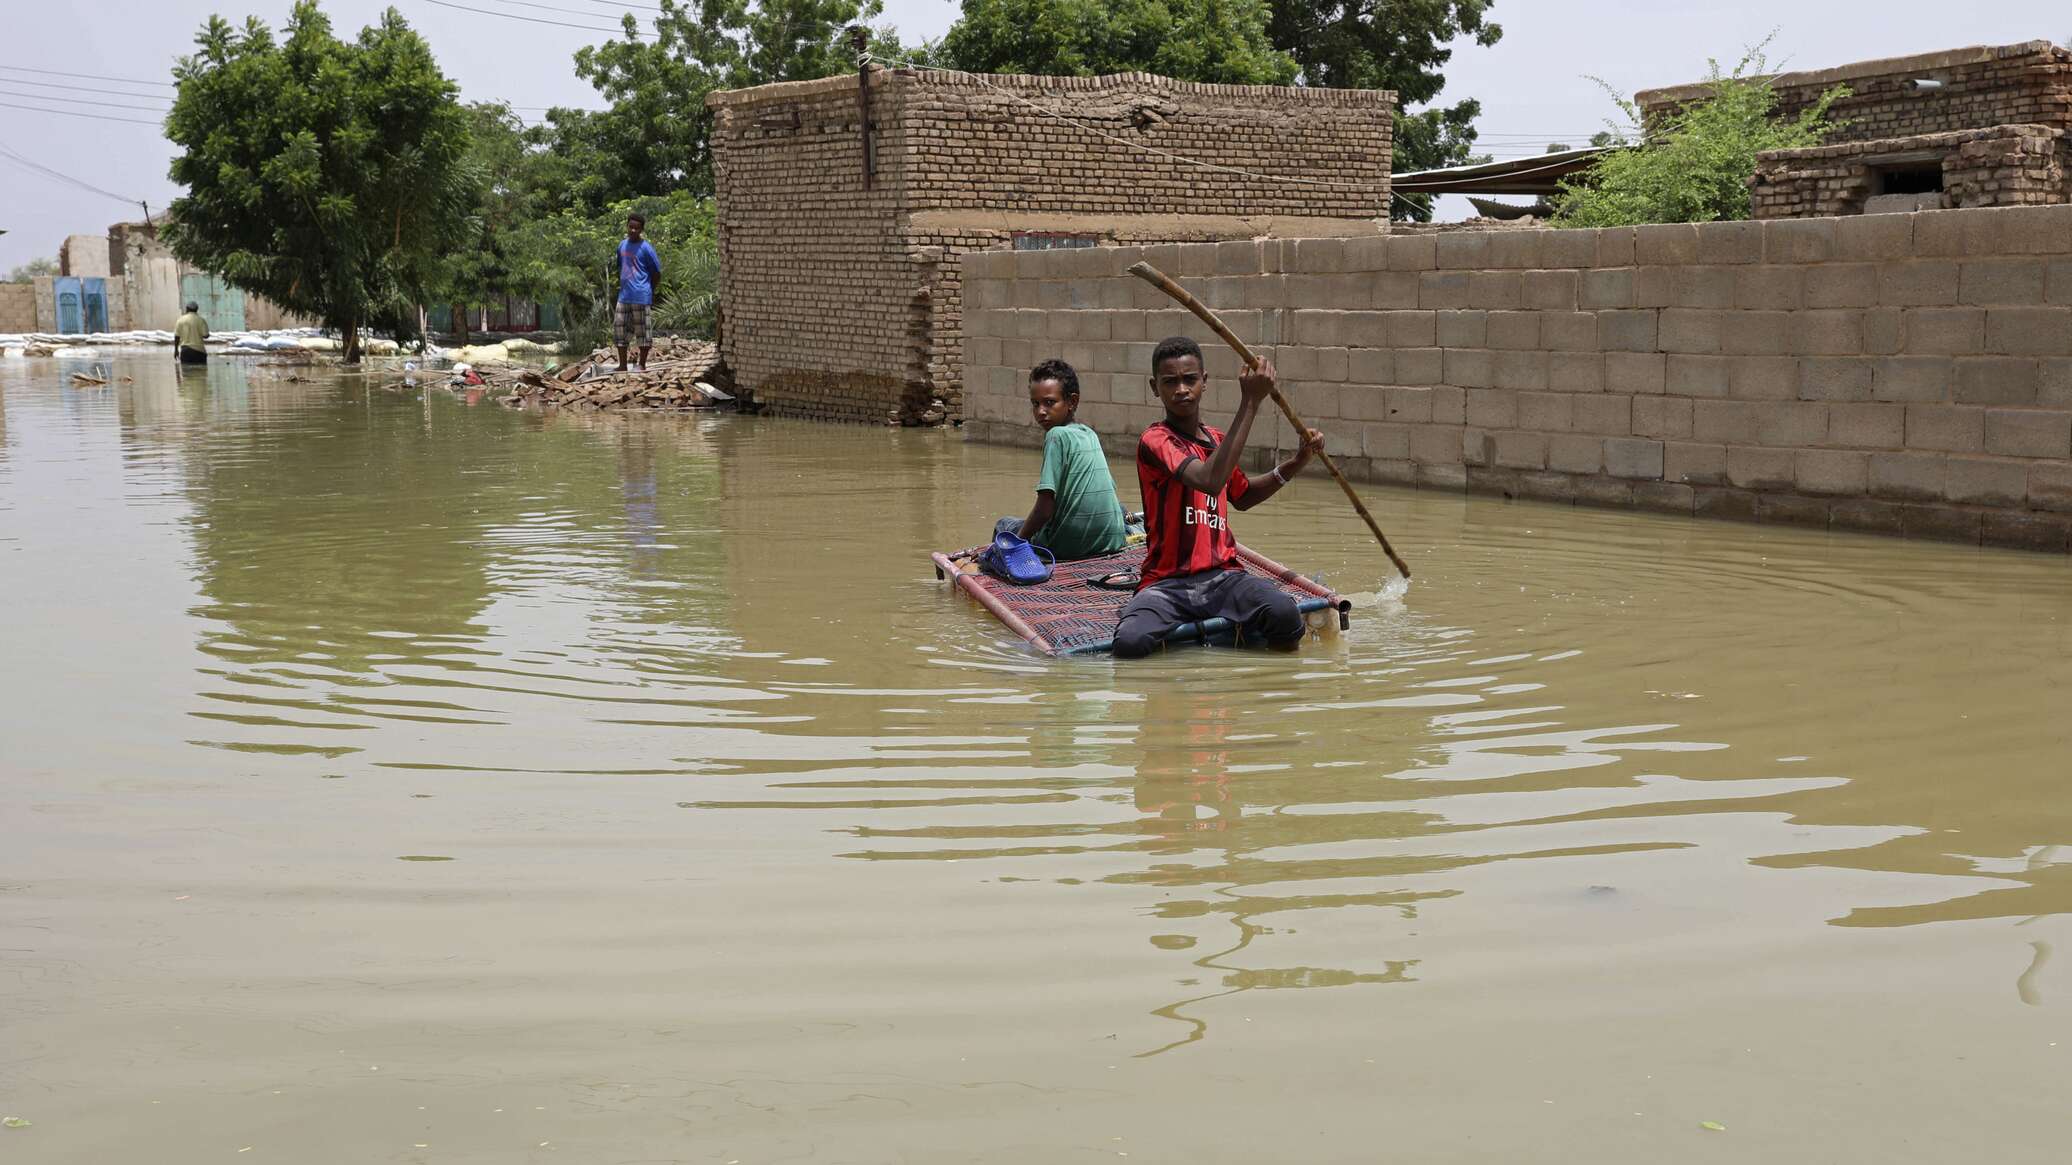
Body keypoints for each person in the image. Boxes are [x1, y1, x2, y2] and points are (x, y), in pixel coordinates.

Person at [1112, 336, 1324, 659]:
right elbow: (1209, 481)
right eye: (1170, 382)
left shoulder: (1217, 440)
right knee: (1129, 643)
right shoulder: (1155, 440)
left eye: (1190, 379)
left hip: (1224, 578)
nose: (1181, 389)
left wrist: (1296, 463)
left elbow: (1243, 495)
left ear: (1204, 382)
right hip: (1166, 585)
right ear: (1155, 388)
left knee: (1285, 616)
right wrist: (1251, 402)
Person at [993, 358, 1130, 561]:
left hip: (1066, 548)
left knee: (1004, 525)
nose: (1041, 411)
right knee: (1120, 509)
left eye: (1049, 403)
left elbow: (1044, 509)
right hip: (1111, 543)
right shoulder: (1089, 434)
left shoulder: (1056, 436)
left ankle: (1005, 563)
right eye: (1035, 404)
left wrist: (1017, 542)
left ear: (1072, 402)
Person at [613, 213, 663, 372]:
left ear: (641, 229)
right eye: (631, 227)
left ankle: (641, 364)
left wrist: (650, 291)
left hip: (641, 295)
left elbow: (656, 273)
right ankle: (622, 365)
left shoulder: (646, 248)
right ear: (627, 226)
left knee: (643, 332)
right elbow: (621, 266)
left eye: (637, 228)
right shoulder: (622, 245)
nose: (633, 230)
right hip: (624, 295)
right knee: (619, 329)